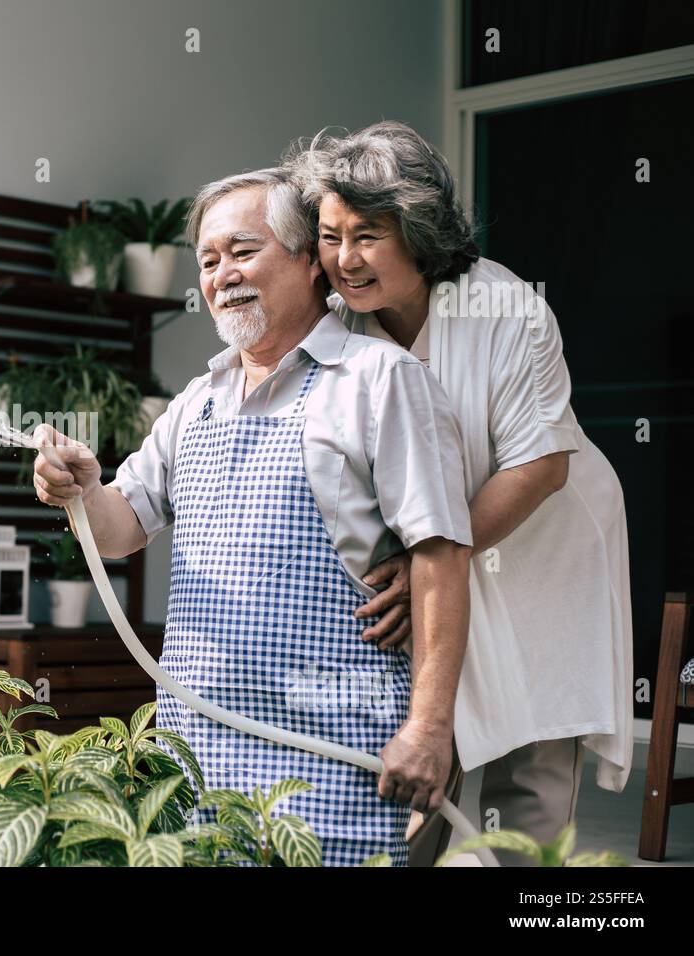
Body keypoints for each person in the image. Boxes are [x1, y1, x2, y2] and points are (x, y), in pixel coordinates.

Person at [32, 166, 473, 866]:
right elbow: (120, 531)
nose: (222, 274)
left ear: (309, 262)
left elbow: (444, 557)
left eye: (243, 251)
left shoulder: (381, 381)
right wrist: (82, 491)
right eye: (208, 261)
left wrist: (429, 728)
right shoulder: (194, 403)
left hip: (330, 753)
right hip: (195, 753)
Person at [296, 121, 633, 866]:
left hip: (543, 540)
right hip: (433, 553)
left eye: (368, 235)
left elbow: (542, 466)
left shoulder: (506, 309)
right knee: (420, 758)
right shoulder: (335, 322)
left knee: (532, 767)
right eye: (329, 236)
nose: (344, 260)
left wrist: (426, 563)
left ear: (419, 230)